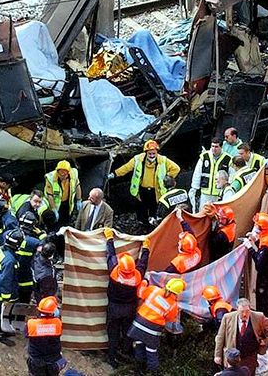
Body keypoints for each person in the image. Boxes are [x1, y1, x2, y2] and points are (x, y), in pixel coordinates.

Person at [103, 227, 150, 367]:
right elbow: (143, 263)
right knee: (127, 332)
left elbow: (110, 255)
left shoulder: (114, 272)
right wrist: (146, 248)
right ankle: (126, 353)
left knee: (113, 333)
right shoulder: (137, 276)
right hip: (129, 308)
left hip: (114, 308)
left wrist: (109, 238)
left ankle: (112, 358)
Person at [111, 140, 181, 225]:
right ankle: (143, 224)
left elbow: (176, 168)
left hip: (156, 190)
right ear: (146, 153)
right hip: (142, 190)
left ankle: (153, 225)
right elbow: (126, 168)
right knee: (141, 207)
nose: (152, 156)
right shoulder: (138, 159)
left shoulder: (163, 160)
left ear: (157, 153)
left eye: (153, 154)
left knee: (154, 208)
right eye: (150, 154)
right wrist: (115, 174)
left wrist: (168, 177)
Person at [127, 277, 185, 373]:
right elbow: (170, 319)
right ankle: (152, 372)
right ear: (177, 293)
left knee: (139, 345)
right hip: (152, 330)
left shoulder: (153, 290)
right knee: (151, 351)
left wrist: (145, 280)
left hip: (138, 324)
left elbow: (142, 294)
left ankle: (139, 369)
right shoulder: (173, 305)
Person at [213, 299, 268, 376]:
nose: (244, 314)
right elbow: (220, 337)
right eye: (242, 311)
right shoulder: (227, 318)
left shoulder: (258, 317)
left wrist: (266, 340)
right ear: (237, 310)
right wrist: (218, 355)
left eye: (247, 311)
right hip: (232, 358)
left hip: (250, 357)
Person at [245, 213, 268, 321]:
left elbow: (259, 263)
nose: (255, 226)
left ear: (261, 227)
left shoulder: (266, 243)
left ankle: (264, 320)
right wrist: (255, 238)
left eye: (256, 225)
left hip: (266, 271)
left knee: (263, 296)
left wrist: (250, 248)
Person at [0, 228, 22, 346]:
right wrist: (7, 298)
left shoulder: (0, 250)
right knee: (3, 313)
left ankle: (4, 331)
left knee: (2, 313)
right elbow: (6, 280)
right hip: (4, 293)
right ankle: (0, 335)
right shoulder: (9, 261)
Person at [190, 137, 233, 212]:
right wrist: (194, 188)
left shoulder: (228, 159)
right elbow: (197, 173)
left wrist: (228, 190)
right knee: (203, 213)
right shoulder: (204, 156)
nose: (214, 148)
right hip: (205, 192)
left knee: (217, 215)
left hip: (219, 194)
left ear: (221, 147)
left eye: (216, 146)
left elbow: (232, 176)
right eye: (212, 146)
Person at [25, 297, 65, 376]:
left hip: (36, 361)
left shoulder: (31, 324)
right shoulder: (58, 323)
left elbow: (26, 334)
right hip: (53, 361)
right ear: (52, 312)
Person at [15, 212, 46, 302]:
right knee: (23, 306)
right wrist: (42, 235)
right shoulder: (33, 242)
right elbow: (46, 248)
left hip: (13, 279)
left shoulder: (10, 235)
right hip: (26, 280)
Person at [43, 161, 82, 231]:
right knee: (55, 224)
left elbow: (77, 186)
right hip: (55, 204)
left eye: (64, 175)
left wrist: (79, 200)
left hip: (67, 203)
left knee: (66, 221)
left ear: (68, 172)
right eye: (60, 174)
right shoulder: (50, 178)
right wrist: (54, 209)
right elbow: (50, 195)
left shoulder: (74, 174)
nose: (62, 176)